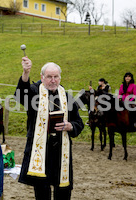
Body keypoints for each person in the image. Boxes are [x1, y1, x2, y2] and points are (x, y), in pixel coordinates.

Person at [14, 57, 84, 200]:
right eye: (49, 77)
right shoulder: (34, 92)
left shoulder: (66, 97)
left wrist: (70, 126)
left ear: (60, 77)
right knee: (42, 192)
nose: (53, 80)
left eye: (56, 77)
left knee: (63, 192)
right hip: (41, 151)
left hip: (61, 153)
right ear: (42, 77)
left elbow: (79, 122)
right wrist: (25, 73)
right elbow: (21, 95)